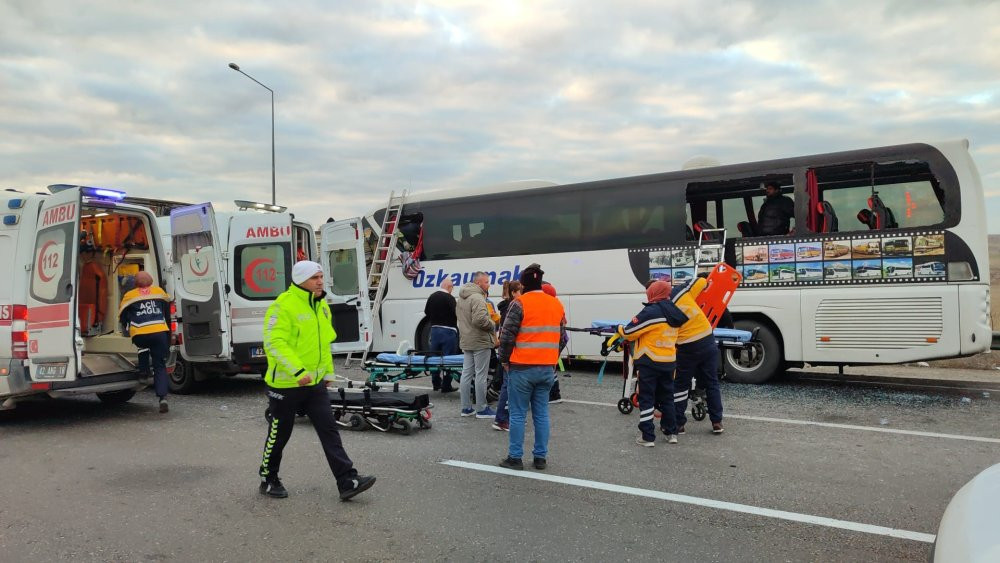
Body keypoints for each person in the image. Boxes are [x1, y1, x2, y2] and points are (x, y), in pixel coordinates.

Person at [258, 260, 375, 500]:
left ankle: (347, 481)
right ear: (301, 280)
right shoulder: (283, 305)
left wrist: (328, 373)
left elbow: (323, 345)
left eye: (321, 277)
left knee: (329, 430)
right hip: (286, 385)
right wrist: (298, 372)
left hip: (315, 384)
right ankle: (268, 479)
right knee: (279, 434)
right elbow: (274, 343)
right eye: (315, 278)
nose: (320, 282)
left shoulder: (321, 306)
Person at [498, 265, 566, 470]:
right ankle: (540, 457)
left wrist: (504, 360)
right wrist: (551, 356)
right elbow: (562, 337)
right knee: (542, 414)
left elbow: (507, 336)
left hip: (521, 367)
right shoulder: (556, 304)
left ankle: (515, 457)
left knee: (518, 414)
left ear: (523, 284)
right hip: (547, 368)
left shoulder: (519, 303)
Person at [617, 280, 687, 446]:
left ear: (653, 293)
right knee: (668, 398)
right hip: (669, 362)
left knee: (647, 398)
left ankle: (647, 436)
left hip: (649, 361)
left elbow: (629, 332)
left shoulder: (651, 311)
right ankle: (671, 433)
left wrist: (619, 328)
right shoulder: (675, 312)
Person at [671, 277, 725, 434]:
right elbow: (701, 281)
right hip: (707, 340)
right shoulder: (680, 292)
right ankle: (717, 422)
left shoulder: (660, 308)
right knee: (711, 382)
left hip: (687, 347)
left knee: (681, 385)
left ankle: (679, 424)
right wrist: (704, 282)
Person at [118, 271, 172, 413]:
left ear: (135, 283)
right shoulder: (159, 292)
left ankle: (143, 373)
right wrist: (168, 337)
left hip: (140, 333)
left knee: (142, 346)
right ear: (151, 281)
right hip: (159, 333)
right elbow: (167, 314)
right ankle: (163, 398)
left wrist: (127, 326)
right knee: (160, 365)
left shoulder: (130, 295)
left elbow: (122, 315)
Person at [456, 272, 497, 419]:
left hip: (467, 340)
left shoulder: (462, 297)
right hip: (480, 340)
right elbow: (480, 320)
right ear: (478, 283)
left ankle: (466, 408)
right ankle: (481, 408)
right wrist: (492, 325)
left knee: (466, 374)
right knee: (481, 375)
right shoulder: (478, 297)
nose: (488, 285)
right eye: (486, 282)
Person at [492, 280, 522, 432]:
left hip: (510, 353)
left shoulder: (510, 307)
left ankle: (506, 417)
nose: (522, 294)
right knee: (508, 385)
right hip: (511, 354)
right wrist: (504, 359)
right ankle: (502, 419)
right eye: (519, 291)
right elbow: (507, 335)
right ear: (513, 293)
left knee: (511, 385)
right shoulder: (513, 308)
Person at [424, 278, 457, 393]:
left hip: (434, 331)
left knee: (434, 358)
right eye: (452, 287)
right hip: (448, 332)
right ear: (449, 287)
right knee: (448, 359)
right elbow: (456, 313)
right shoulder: (450, 298)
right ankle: (446, 385)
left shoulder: (432, 296)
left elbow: (426, 312)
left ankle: (436, 383)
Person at [540, 282, 567, 404]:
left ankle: (554, 394)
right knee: (550, 367)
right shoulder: (556, 304)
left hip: (553, 341)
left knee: (549, 368)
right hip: (558, 340)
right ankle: (553, 393)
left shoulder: (550, 306)